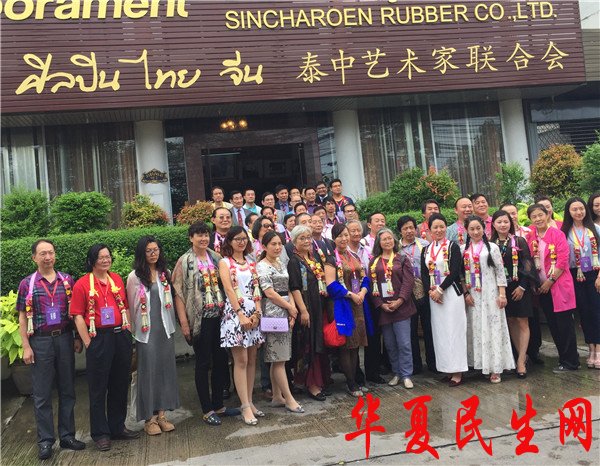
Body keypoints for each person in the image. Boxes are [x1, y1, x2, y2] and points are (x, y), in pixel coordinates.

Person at [17, 239, 85, 460]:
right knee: (42, 393)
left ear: (55, 255)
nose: (48, 257)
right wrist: (26, 346)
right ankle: (46, 441)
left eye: (51, 253)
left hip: (64, 338)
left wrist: (76, 337)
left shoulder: (67, 280)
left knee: (68, 389)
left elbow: (75, 312)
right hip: (41, 342)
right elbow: (22, 317)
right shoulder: (27, 284)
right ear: (34, 258)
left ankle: (67, 436)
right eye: (43, 254)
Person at [70, 244, 138, 451]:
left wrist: (128, 331)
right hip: (98, 338)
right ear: (92, 260)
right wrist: (88, 342)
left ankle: (117, 427)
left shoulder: (116, 279)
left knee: (120, 383)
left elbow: (126, 306)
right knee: (98, 387)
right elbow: (77, 315)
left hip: (120, 335)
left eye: (108, 256)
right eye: (101, 257)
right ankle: (100, 433)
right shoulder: (82, 284)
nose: (106, 260)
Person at [172, 222, 239, 427]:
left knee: (221, 360)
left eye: (206, 235)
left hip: (220, 317)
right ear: (190, 238)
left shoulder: (216, 257)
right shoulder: (184, 261)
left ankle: (218, 405)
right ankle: (206, 409)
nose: (203, 238)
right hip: (200, 320)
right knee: (202, 363)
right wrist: (184, 323)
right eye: (199, 235)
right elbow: (179, 293)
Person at [126, 236, 179, 435]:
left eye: (156, 250)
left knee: (165, 371)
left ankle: (162, 415)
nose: (153, 254)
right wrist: (131, 333)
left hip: (164, 330)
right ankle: (149, 419)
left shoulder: (165, 273)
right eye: (149, 251)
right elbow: (130, 306)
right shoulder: (134, 277)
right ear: (142, 253)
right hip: (145, 333)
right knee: (148, 373)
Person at [219, 227, 265, 425]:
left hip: (253, 312)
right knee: (241, 360)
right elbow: (229, 289)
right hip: (235, 313)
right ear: (229, 241)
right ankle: (244, 405)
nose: (241, 242)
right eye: (237, 239)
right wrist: (240, 314)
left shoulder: (251, 262)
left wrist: (257, 312)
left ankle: (250, 401)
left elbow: (256, 289)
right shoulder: (224, 263)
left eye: (244, 238)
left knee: (252, 359)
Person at [526, 204, 579, 372]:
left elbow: (563, 260)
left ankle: (571, 361)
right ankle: (563, 359)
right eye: (534, 216)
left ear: (547, 215)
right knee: (553, 325)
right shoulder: (531, 237)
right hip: (542, 289)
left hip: (558, 286)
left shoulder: (557, 234)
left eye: (540, 215)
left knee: (564, 324)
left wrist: (550, 281)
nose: (538, 219)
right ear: (530, 219)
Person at [462, 216, 514, 383]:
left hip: (491, 294)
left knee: (493, 328)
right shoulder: (463, 249)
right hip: (473, 295)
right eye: (472, 229)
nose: (476, 232)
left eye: (478, 228)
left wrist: (502, 294)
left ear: (484, 228)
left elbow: (500, 271)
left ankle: (496, 367)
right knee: (477, 329)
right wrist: (465, 293)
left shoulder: (492, 247)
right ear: (467, 231)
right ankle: (482, 365)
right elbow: (460, 275)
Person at [257, 231, 304, 413]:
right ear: (264, 246)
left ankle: (277, 396)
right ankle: (289, 399)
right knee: (278, 358)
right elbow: (269, 292)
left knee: (279, 358)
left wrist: (292, 309)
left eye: (279, 244)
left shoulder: (281, 263)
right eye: (273, 244)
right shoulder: (262, 266)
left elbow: (289, 288)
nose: (277, 247)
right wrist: (290, 307)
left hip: (286, 311)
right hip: (273, 314)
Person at [421, 213, 468, 387]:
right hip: (435, 297)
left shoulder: (452, 246)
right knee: (440, 333)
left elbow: (455, 271)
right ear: (429, 230)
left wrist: (440, 290)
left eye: (442, 226)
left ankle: (458, 371)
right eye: (435, 227)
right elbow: (424, 273)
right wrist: (431, 290)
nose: (439, 230)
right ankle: (447, 369)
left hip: (451, 294)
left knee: (454, 331)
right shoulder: (426, 250)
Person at [491, 210, 538, 378]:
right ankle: (521, 356)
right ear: (493, 224)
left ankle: (520, 362)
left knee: (522, 322)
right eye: (499, 222)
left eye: (506, 221)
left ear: (510, 223)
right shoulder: (490, 244)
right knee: (510, 321)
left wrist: (523, 287)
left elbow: (528, 265)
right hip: (502, 289)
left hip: (519, 287)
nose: (503, 225)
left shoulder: (519, 241)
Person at [324, 224, 370, 397]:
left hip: (358, 303)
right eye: (339, 236)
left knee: (356, 344)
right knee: (346, 345)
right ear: (333, 239)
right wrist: (351, 295)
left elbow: (365, 278)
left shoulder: (353, 256)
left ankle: (357, 378)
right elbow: (331, 285)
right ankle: (351, 384)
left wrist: (363, 292)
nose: (343, 239)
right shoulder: (331, 259)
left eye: (345, 235)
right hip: (342, 304)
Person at [287, 225, 331, 401]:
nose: (306, 241)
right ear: (294, 242)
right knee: (308, 345)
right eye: (302, 238)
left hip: (318, 306)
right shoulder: (294, 261)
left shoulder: (313, 258)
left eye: (308, 237)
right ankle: (310, 384)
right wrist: (303, 311)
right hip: (306, 308)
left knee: (318, 342)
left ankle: (320, 381)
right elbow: (295, 288)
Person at [369, 229, 416, 389]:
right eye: (384, 239)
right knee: (390, 344)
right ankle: (396, 372)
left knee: (404, 343)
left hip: (401, 308)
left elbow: (408, 282)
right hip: (384, 310)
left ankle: (406, 374)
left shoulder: (402, 259)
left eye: (390, 238)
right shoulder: (374, 262)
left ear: (394, 240)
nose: (387, 241)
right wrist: (380, 304)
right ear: (379, 243)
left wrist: (400, 301)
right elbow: (372, 286)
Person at [561, 197, 600, 369]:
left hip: (595, 274)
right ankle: (591, 348)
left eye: (581, 208)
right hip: (575, 275)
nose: (579, 212)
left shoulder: (595, 229)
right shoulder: (565, 232)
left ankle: (599, 349)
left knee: (597, 311)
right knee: (584, 313)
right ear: (568, 212)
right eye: (574, 209)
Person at [397, 215, 436, 374]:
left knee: (429, 327)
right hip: (407, 293)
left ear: (416, 229)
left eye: (411, 228)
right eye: (405, 228)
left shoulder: (425, 244)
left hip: (425, 290)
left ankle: (433, 363)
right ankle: (415, 365)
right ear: (400, 231)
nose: (409, 231)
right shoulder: (396, 249)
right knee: (411, 329)